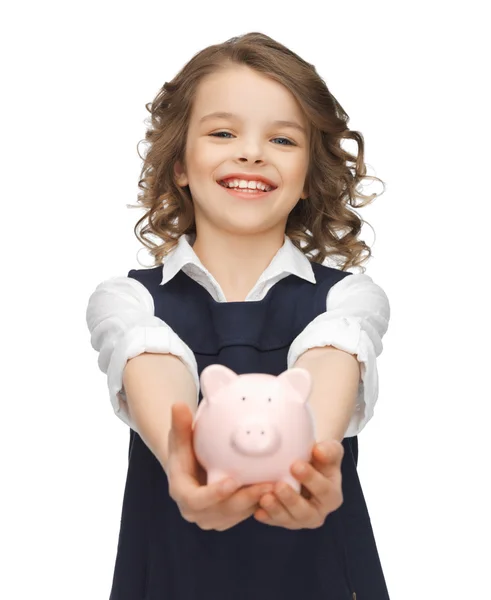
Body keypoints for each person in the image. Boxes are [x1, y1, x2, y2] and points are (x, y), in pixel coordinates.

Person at [86, 32, 391, 600]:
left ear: (307, 177)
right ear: (179, 164)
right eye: (223, 132)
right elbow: (156, 361)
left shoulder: (350, 300)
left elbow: (326, 364)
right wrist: (186, 461)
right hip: (173, 580)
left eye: (281, 138)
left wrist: (304, 467)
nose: (251, 152)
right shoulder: (126, 301)